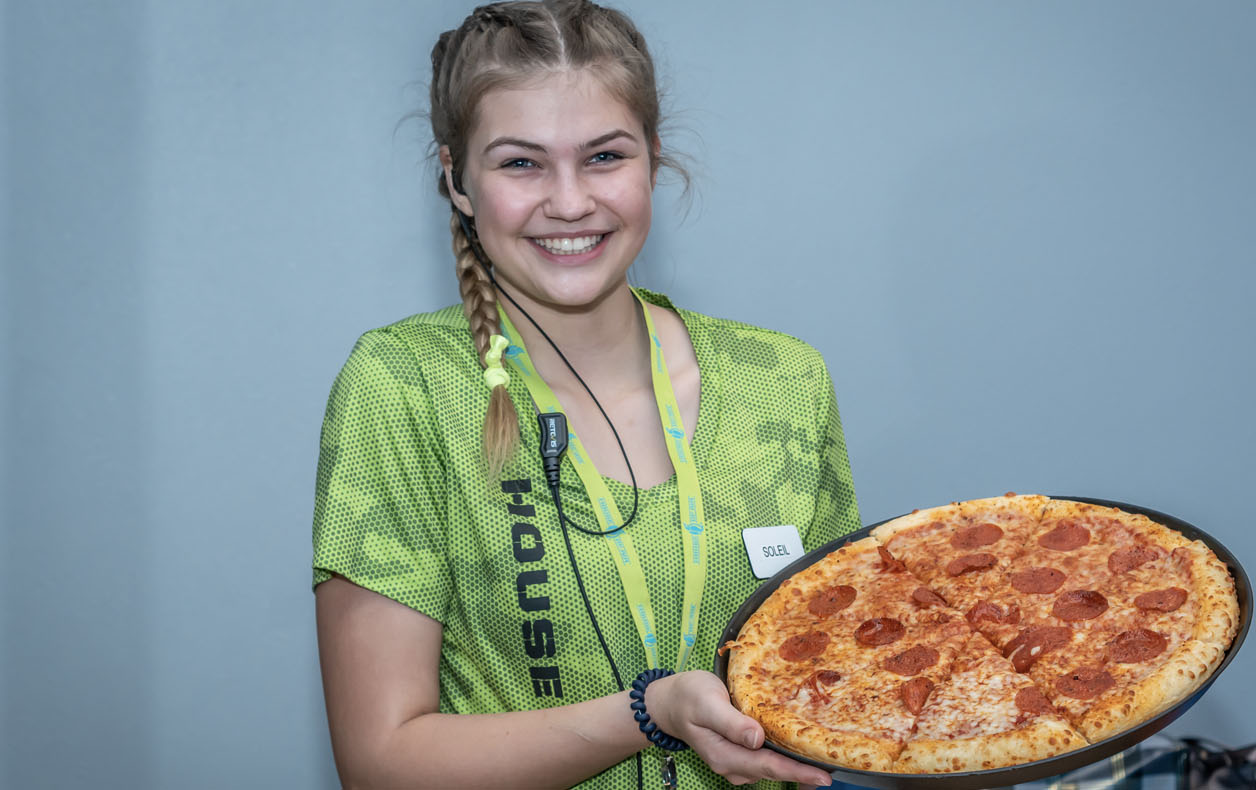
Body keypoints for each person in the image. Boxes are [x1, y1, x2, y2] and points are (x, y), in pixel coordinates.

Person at [312, 2, 860, 787]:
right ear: (456, 179)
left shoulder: (784, 380)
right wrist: (648, 712)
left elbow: (835, 687)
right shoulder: (402, 386)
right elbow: (381, 764)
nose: (569, 202)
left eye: (604, 156)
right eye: (521, 163)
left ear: (653, 158)